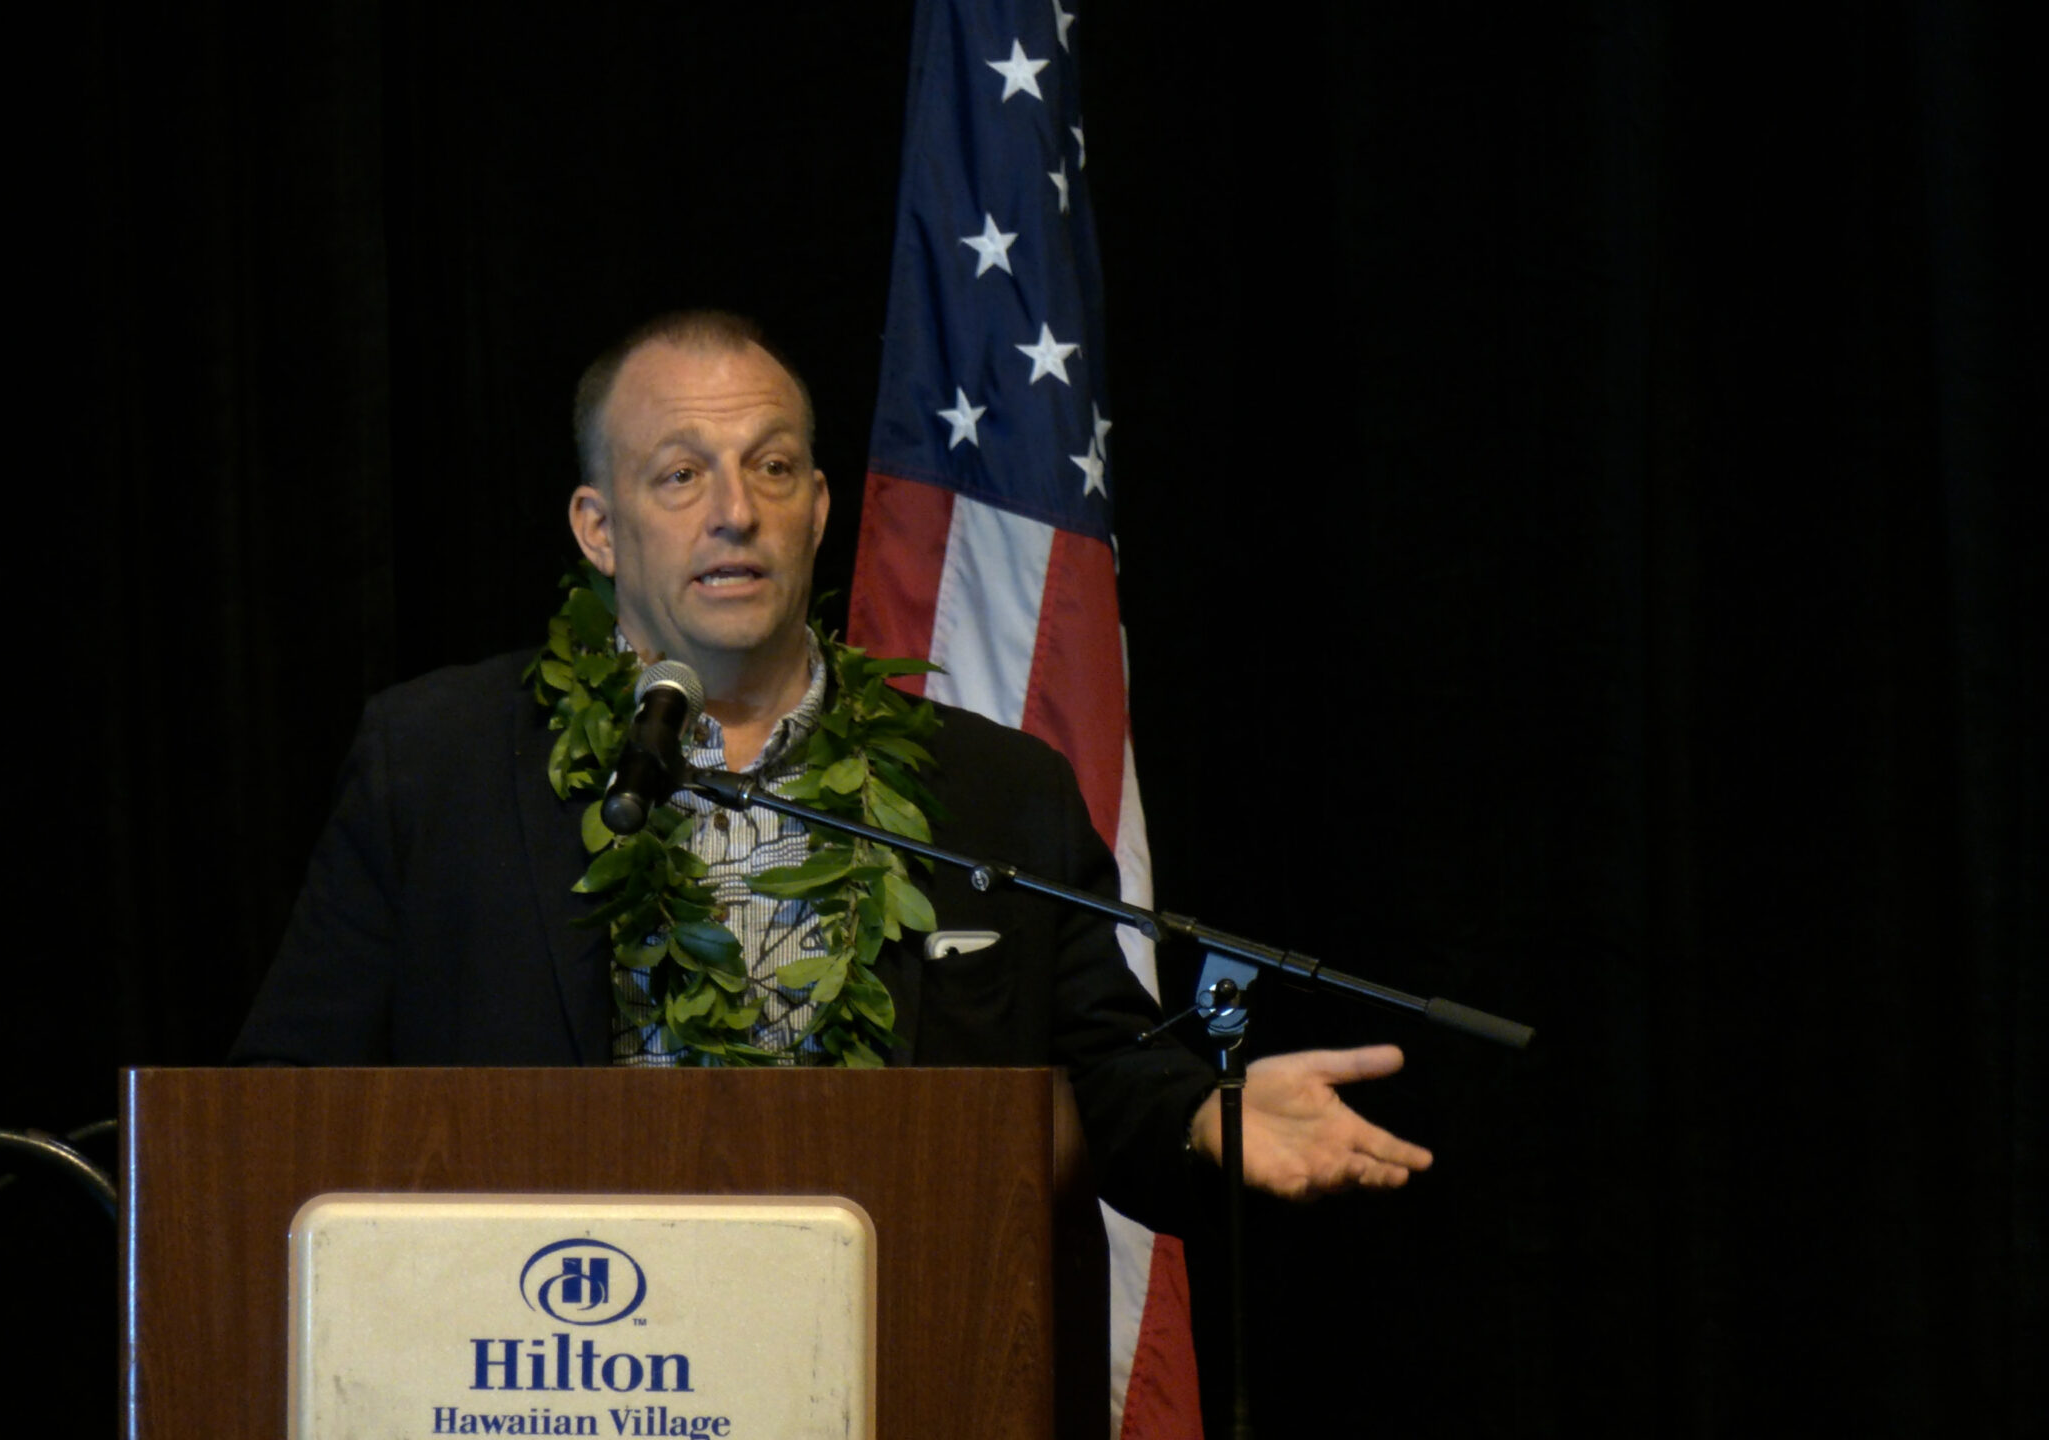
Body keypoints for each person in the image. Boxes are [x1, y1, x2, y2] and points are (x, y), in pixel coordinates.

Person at [232, 310, 1431, 1224]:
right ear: (599, 528)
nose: (733, 512)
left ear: (815, 508)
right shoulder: (433, 763)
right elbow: (277, 1100)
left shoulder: (995, 791)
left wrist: (1207, 1117)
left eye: (770, 468)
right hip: (546, 1361)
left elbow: (1112, 1077)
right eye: (680, 474)